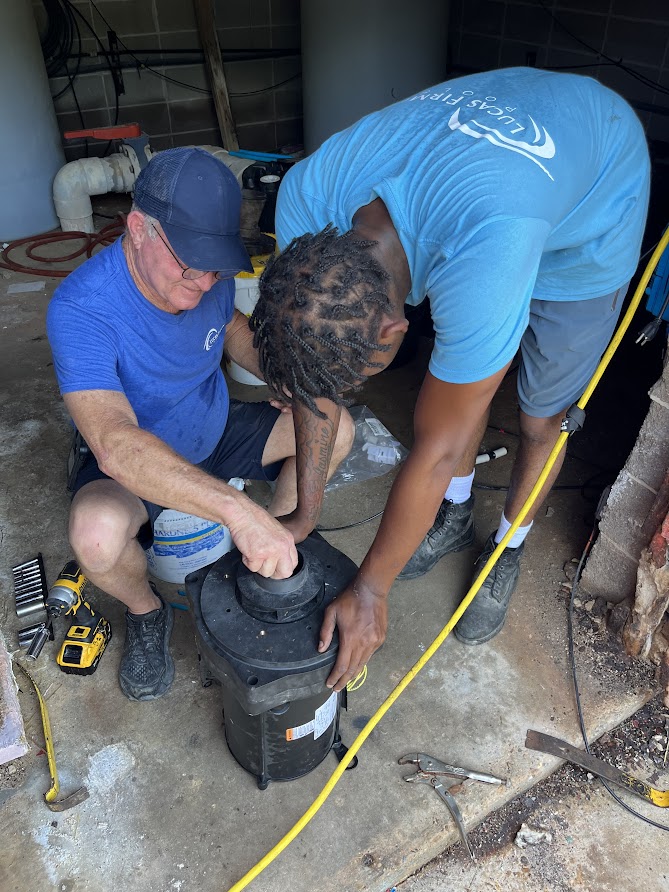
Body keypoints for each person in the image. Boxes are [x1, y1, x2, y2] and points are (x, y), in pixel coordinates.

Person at [250, 67, 650, 693]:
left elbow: (436, 449)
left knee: (539, 417)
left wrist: (371, 591)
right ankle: (453, 517)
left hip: (593, 190)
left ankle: (507, 547)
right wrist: (307, 506)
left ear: (393, 332)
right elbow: (314, 384)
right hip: (504, 174)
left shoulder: (484, 261)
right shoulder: (308, 196)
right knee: (457, 396)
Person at [46, 147, 354, 701]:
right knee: (94, 539)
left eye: (217, 266)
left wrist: (282, 376)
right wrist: (239, 512)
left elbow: (231, 326)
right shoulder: (82, 309)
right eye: (192, 265)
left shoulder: (202, 281)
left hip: (213, 430)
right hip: (135, 466)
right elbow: (116, 445)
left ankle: (276, 543)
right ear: (138, 229)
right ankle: (147, 612)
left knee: (336, 426)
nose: (206, 282)